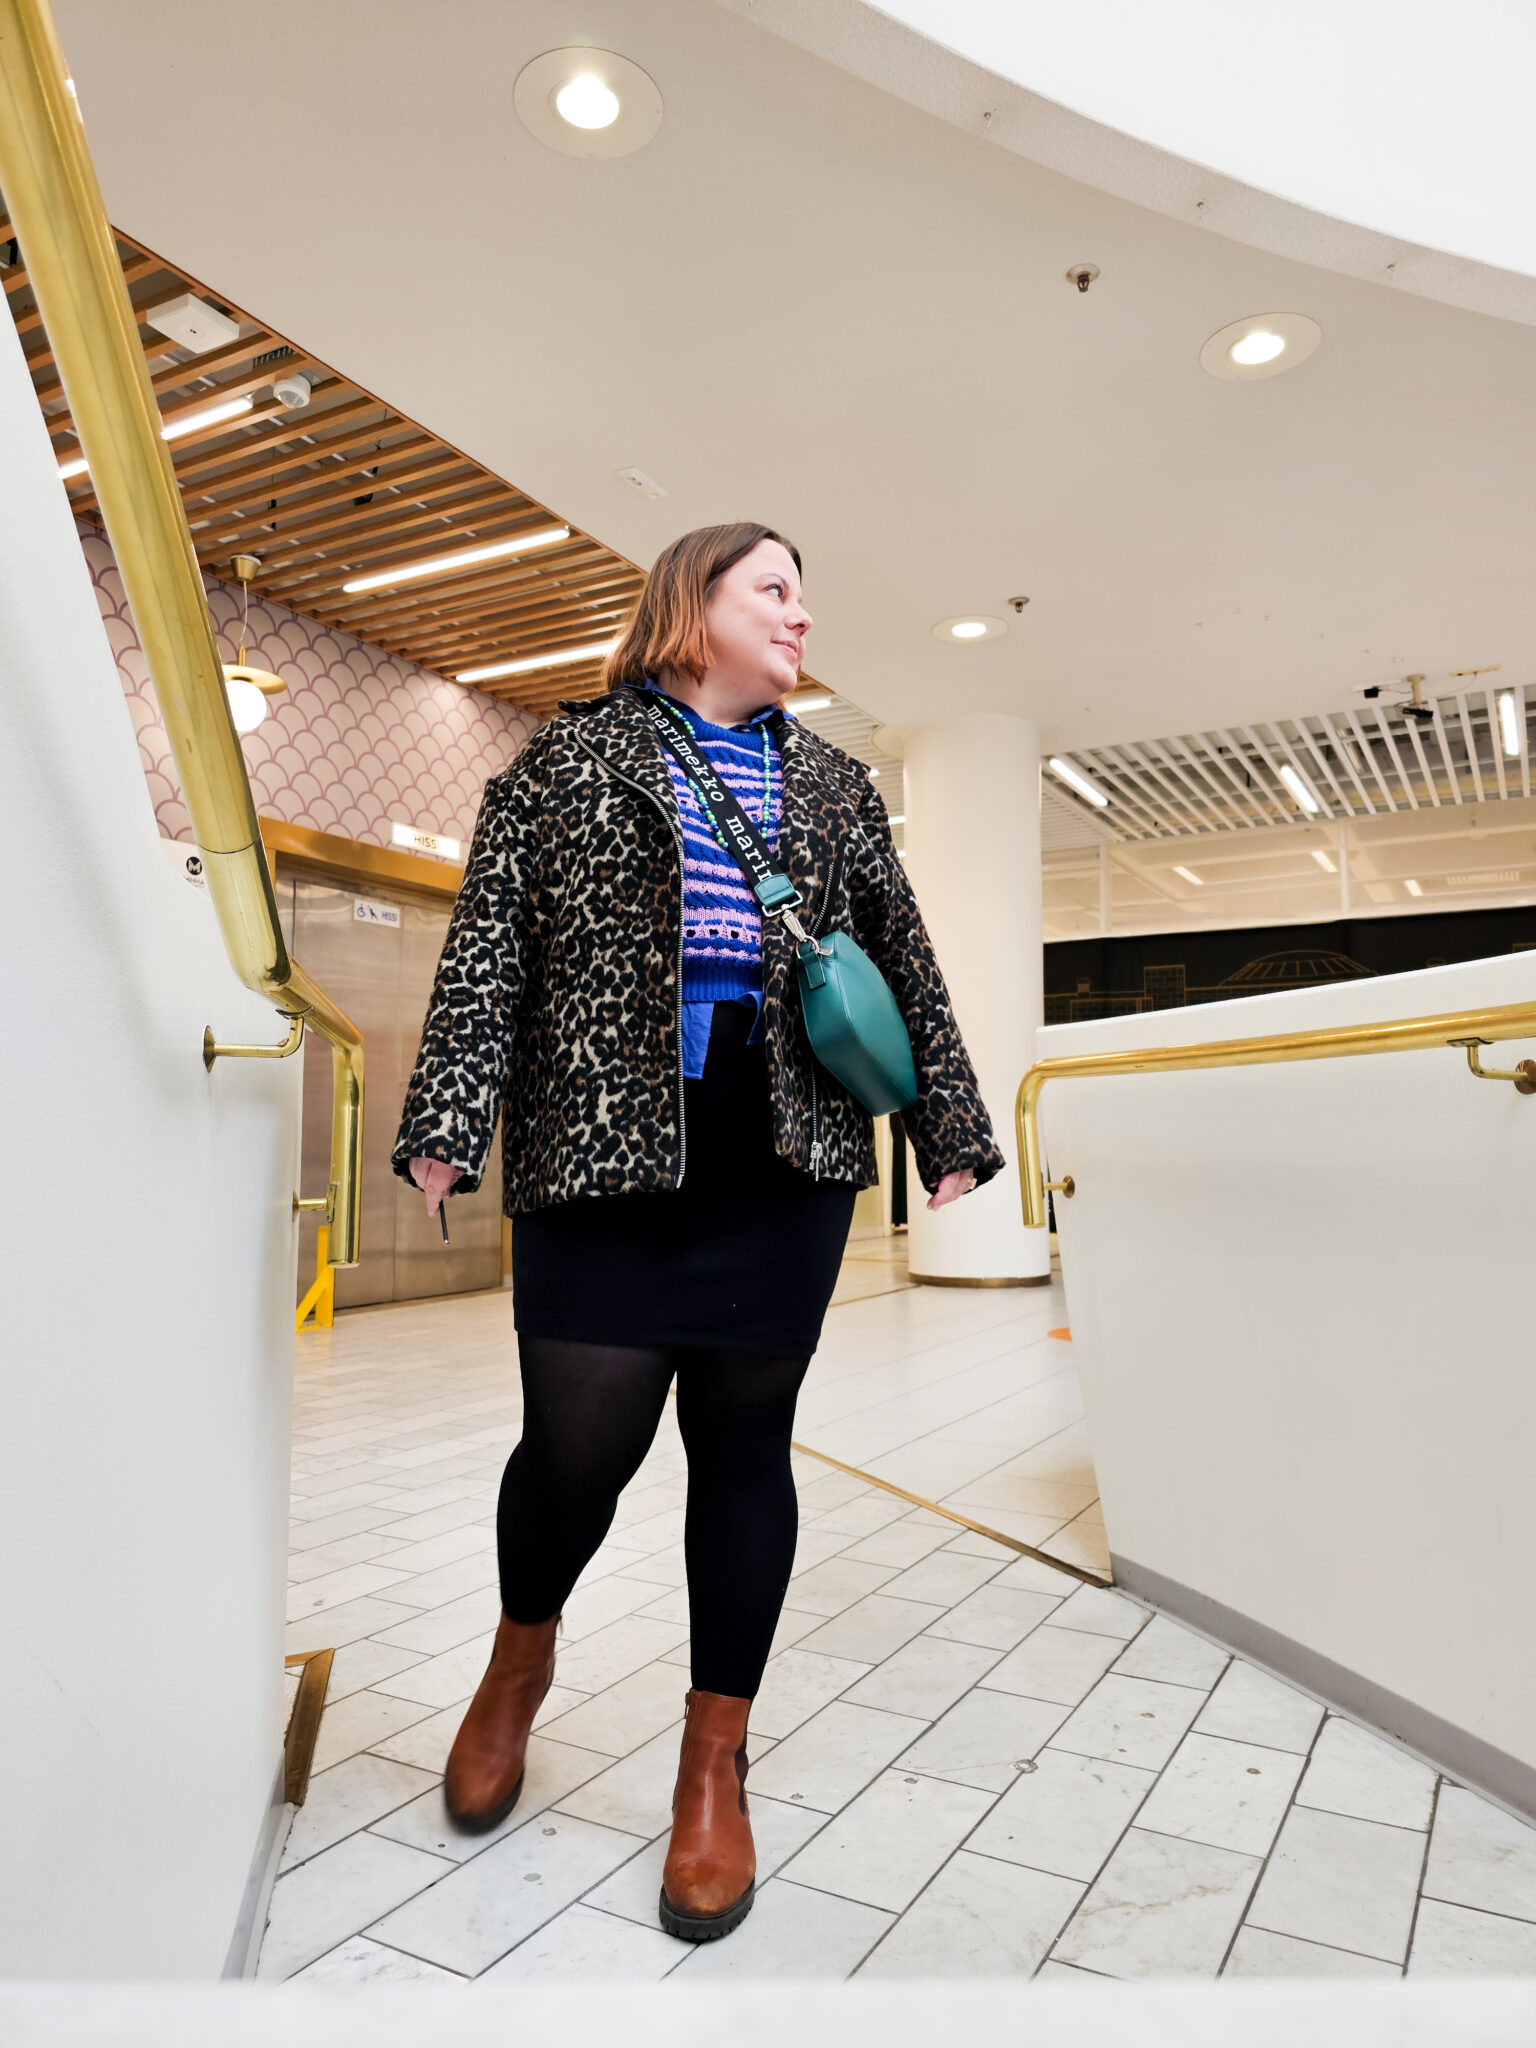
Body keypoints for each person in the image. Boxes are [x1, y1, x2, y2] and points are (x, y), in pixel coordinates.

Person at [393, 521, 1003, 1943]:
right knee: (577, 1448)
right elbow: (489, 949)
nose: (801, 615)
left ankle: (712, 1762)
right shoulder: (562, 763)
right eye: (773, 589)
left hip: (782, 1149)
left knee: (743, 1449)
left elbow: (900, 956)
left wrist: (950, 1124)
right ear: (692, 605)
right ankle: (518, 1663)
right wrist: (449, 1112)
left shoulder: (835, 784)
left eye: (803, 593)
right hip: (604, 1139)